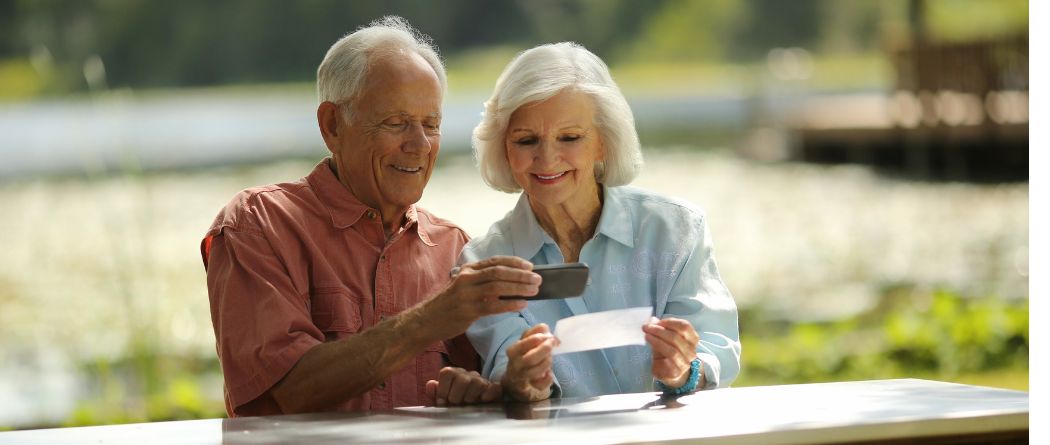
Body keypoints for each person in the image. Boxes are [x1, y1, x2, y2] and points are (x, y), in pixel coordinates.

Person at [201, 16, 539, 416]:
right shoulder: (257, 225)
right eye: (396, 123)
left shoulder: (455, 247)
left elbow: (490, 388)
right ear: (332, 126)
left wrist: (476, 391)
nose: (418, 144)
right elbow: (291, 390)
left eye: (431, 125)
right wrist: (431, 319)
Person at [464, 42, 741, 402]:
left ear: (604, 143)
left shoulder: (676, 232)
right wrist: (520, 380)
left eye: (570, 137)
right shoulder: (484, 263)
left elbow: (715, 347)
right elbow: (508, 365)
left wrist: (684, 370)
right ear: (504, 148)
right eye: (527, 140)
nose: (547, 158)